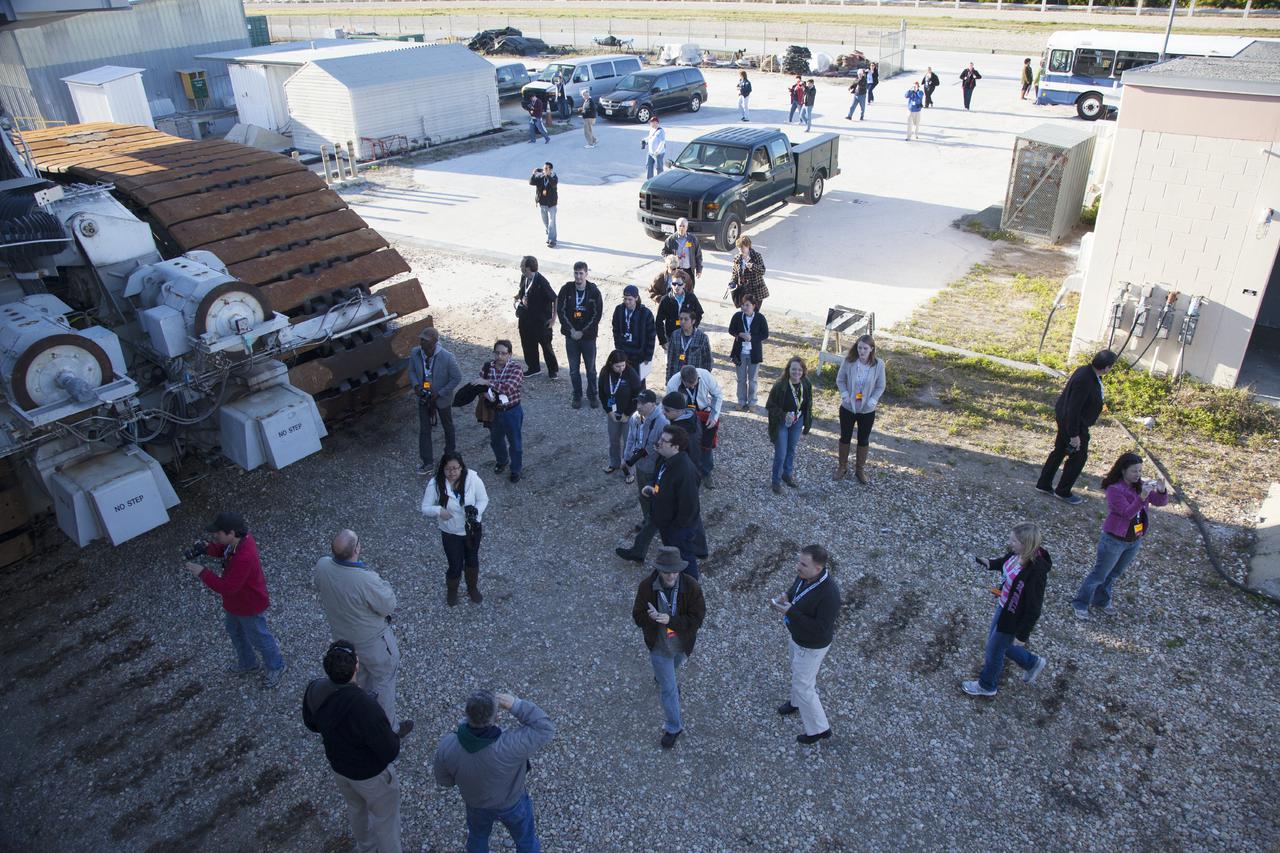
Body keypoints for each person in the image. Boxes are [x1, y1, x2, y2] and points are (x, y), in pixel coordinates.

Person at [303, 642, 403, 853]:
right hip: (371, 775)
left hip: (340, 768)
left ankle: (366, 848)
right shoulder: (365, 706)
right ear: (356, 666)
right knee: (385, 822)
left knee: (356, 810)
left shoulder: (315, 689)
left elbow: (311, 724)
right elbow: (390, 750)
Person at [313, 530, 410, 736]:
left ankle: (361, 718)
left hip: (344, 639)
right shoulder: (365, 580)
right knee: (383, 682)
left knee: (359, 681)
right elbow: (388, 606)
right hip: (373, 642)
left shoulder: (322, 565)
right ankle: (387, 730)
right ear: (357, 549)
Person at [433, 690, 555, 853]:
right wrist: (516, 705)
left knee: (478, 837)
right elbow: (545, 728)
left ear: (467, 715)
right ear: (497, 718)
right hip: (513, 803)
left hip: (476, 805)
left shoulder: (448, 745)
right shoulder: (511, 745)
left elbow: (444, 781)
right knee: (525, 839)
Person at [183, 511, 286, 689]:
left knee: (259, 637)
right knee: (234, 631)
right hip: (236, 604)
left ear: (231, 533)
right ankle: (248, 662)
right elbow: (224, 552)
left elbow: (227, 588)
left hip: (248, 605)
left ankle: (277, 666)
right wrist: (207, 548)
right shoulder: (238, 542)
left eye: (218, 533)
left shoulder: (244, 557)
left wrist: (202, 572)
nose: (215, 535)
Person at [1071, 452, 1169, 620]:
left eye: (1140, 471)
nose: (1138, 475)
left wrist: (1161, 490)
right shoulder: (1114, 490)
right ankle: (1080, 603)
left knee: (1114, 573)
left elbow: (1161, 502)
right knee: (1099, 574)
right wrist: (1143, 496)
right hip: (1114, 540)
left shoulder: (1139, 485)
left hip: (1134, 540)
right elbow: (1127, 513)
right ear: (1123, 470)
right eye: (1134, 471)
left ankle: (1101, 601)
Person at [962, 523, 1051, 697]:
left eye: (1014, 541)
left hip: (1013, 616)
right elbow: (1005, 562)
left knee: (994, 650)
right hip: (1004, 607)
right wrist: (990, 563)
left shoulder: (1035, 572)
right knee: (998, 643)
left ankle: (987, 686)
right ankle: (1031, 663)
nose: (1010, 543)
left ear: (1026, 544)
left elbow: (1034, 609)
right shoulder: (1018, 555)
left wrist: (1022, 635)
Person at [631, 545, 706, 750]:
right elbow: (637, 617)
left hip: (682, 646)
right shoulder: (646, 587)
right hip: (659, 648)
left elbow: (697, 619)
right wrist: (651, 618)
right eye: (666, 571)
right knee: (669, 690)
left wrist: (670, 620)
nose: (671, 575)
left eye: (674, 571)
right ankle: (674, 727)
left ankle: (663, 676)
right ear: (659, 569)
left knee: (673, 667)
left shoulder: (691, 587)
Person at [771, 545, 840, 745]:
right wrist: (787, 597)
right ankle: (795, 703)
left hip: (812, 646)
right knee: (797, 673)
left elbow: (820, 628)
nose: (797, 567)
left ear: (818, 569)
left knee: (804, 686)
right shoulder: (805, 576)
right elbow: (796, 591)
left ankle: (820, 729)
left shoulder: (830, 595)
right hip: (797, 637)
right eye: (798, 561)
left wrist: (790, 612)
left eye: (803, 564)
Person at [1035, 349, 1117, 504]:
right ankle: (1063, 491)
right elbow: (1074, 409)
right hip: (1074, 424)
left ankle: (1044, 484)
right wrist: (1074, 435)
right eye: (1111, 367)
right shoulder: (1085, 380)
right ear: (1106, 367)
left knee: (1059, 451)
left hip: (1067, 420)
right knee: (1079, 457)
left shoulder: (1086, 372)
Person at [421, 452, 490, 606]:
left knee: (472, 561)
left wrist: (476, 514)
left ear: (461, 467)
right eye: (448, 469)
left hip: (472, 530)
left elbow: (483, 499)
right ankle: (452, 590)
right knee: (455, 565)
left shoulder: (473, 479)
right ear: (442, 469)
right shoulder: (435, 484)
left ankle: (472, 588)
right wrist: (439, 511)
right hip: (450, 533)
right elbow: (425, 507)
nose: (452, 473)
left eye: (455, 469)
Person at [615, 390, 670, 562]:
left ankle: (655, 525)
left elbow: (665, 450)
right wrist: (626, 457)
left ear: (653, 404)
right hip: (641, 467)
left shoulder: (662, 422)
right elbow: (630, 439)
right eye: (637, 402)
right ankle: (648, 520)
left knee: (657, 501)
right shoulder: (635, 418)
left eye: (642, 404)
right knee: (643, 497)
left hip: (654, 470)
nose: (638, 407)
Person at [647, 424, 706, 578]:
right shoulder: (666, 459)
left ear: (675, 447)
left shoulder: (685, 471)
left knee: (685, 559)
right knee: (674, 556)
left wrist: (675, 529)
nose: (658, 442)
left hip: (678, 529)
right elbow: (663, 484)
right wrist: (653, 491)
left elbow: (689, 507)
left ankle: (691, 588)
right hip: (667, 523)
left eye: (664, 441)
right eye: (661, 438)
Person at [408, 326, 461, 475]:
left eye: (425, 340)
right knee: (424, 430)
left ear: (434, 342)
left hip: (441, 400)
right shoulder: (415, 353)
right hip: (423, 397)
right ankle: (427, 462)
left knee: (448, 427)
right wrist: (416, 386)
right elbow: (411, 371)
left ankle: (450, 456)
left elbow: (457, 377)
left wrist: (441, 393)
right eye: (421, 339)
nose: (421, 342)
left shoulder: (447, 357)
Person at [835, 334, 886, 483]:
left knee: (863, 439)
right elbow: (840, 379)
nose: (861, 351)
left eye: (865, 348)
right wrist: (844, 394)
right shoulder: (849, 361)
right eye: (859, 347)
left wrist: (873, 399)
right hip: (848, 407)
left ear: (871, 349)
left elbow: (880, 385)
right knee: (845, 436)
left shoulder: (878, 364)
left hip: (867, 410)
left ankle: (860, 470)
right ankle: (842, 467)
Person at [474, 340, 525, 483]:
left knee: (515, 443)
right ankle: (502, 461)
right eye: (497, 353)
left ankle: (516, 469)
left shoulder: (516, 368)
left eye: (503, 353)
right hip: (493, 411)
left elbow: (509, 388)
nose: (499, 356)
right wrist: (483, 391)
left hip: (511, 411)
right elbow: (479, 385)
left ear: (510, 354)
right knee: (495, 440)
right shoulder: (487, 366)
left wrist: (488, 383)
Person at [556, 261, 604, 409]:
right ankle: (577, 395)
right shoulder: (566, 289)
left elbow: (596, 316)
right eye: (576, 273)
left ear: (586, 274)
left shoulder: (594, 292)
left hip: (588, 338)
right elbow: (561, 311)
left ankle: (592, 395)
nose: (578, 276)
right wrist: (571, 331)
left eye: (581, 273)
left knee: (591, 369)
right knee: (573, 370)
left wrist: (582, 332)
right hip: (571, 337)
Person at [666, 365, 722, 487]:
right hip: (683, 416)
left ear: (698, 377)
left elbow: (717, 395)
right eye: (689, 385)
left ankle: (706, 472)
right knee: (685, 444)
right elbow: (670, 406)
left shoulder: (706, 376)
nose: (692, 387)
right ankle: (686, 472)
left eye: (695, 384)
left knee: (706, 443)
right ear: (682, 380)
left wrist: (714, 416)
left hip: (703, 413)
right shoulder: (672, 384)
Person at [765, 356, 813, 495]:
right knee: (781, 453)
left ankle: (787, 474)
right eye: (793, 369)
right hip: (782, 422)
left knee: (791, 449)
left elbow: (808, 405)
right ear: (788, 370)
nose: (796, 372)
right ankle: (776, 482)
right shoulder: (780, 385)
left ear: (803, 371)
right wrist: (783, 415)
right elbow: (769, 405)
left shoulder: (806, 383)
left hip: (797, 421)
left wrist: (807, 422)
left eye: (799, 369)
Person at [598, 350, 643, 474]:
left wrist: (627, 413)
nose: (621, 368)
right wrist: (608, 411)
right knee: (613, 440)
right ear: (611, 364)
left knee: (629, 442)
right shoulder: (605, 372)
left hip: (628, 414)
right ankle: (614, 463)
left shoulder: (630, 373)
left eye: (623, 365)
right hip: (613, 413)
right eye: (618, 366)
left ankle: (629, 470)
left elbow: (637, 395)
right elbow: (602, 393)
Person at [514, 256, 558, 379]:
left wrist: (554, 318)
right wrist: (518, 296)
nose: (520, 267)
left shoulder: (542, 282)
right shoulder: (524, 277)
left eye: (522, 265)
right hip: (525, 318)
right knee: (527, 344)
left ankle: (552, 370)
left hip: (540, 321)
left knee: (546, 345)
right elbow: (523, 290)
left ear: (528, 268)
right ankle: (533, 368)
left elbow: (555, 298)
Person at [728, 295, 769, 411]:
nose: (744, 308)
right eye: (743, 305)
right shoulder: (737, 316)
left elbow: (765, 334)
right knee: (741, 379)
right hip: (740, 352)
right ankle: (741, 401)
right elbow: (731, 330)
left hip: (754, 353)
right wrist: (740, 334)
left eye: (747, 305)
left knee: (753, 380)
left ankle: (752, 402)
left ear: (754, 306)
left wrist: (752, 338)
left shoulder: (760, 318)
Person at [611, 284, 656, 378]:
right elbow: (615, 331)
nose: (627, 302)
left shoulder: (646, 313)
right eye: (625, 298)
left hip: (639, 354)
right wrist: (618, 348)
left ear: (636, 298)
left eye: (630, 299)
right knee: (623, 380)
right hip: (623, 353)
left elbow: (651, 336)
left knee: (639, 383)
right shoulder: (619, 310)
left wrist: (648, 356)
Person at [654, 266, 703, 348]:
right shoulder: (665, 300)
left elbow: (699, 313)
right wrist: (662, 340)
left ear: (684, 285)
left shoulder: (691, 298)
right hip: (671, 337)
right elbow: (658, 321)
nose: (676, 287)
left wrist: (693, 328)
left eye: (679, 284)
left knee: (685, 359)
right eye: (674, 284)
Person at [665, 309, 711, 381]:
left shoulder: (702, 337)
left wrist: (703, 380)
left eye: (686, 319)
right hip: (678, 377)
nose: (682, 322)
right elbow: (670, 360)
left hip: (694, 380)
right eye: (681, 319)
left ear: (693, 321)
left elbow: (708, 362)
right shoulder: (675, 335)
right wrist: (668, 380)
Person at [728, 235, 768, 310]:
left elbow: (762, 271)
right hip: (743, 291)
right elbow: (735, 273)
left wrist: (752, 266)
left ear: (748, 246)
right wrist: (732, 282)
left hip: (756, 292)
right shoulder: (737, 258)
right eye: (739, 248)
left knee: (754, 314)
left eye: (742, 247)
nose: (741, 250)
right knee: (744, 311)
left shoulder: (756, 256)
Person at [661, 218, 703, 287]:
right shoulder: (671, 239)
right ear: (676, 227)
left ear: (687, 227)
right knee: (676, 289)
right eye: (680, 226)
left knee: (689, 290)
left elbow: (698, 255)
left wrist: (699, 270)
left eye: (683, 226)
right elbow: (664, 252)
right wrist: (671, 259)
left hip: (689, 270)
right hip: (675, 270)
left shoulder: (692, 239)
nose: (681, 228)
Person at [529, 162, 557, 248]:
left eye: (546, 169)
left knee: (552, 222)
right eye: (544, 168)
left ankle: (552, 240)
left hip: (551, 204)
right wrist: (534, 174)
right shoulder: (540, 177)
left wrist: (547, 175)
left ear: (550, 170)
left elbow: (553, 183)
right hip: (542, 203)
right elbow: (531, 182)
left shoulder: (554, 177)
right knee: (545, 222)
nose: (544, 170)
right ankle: (548, 230)